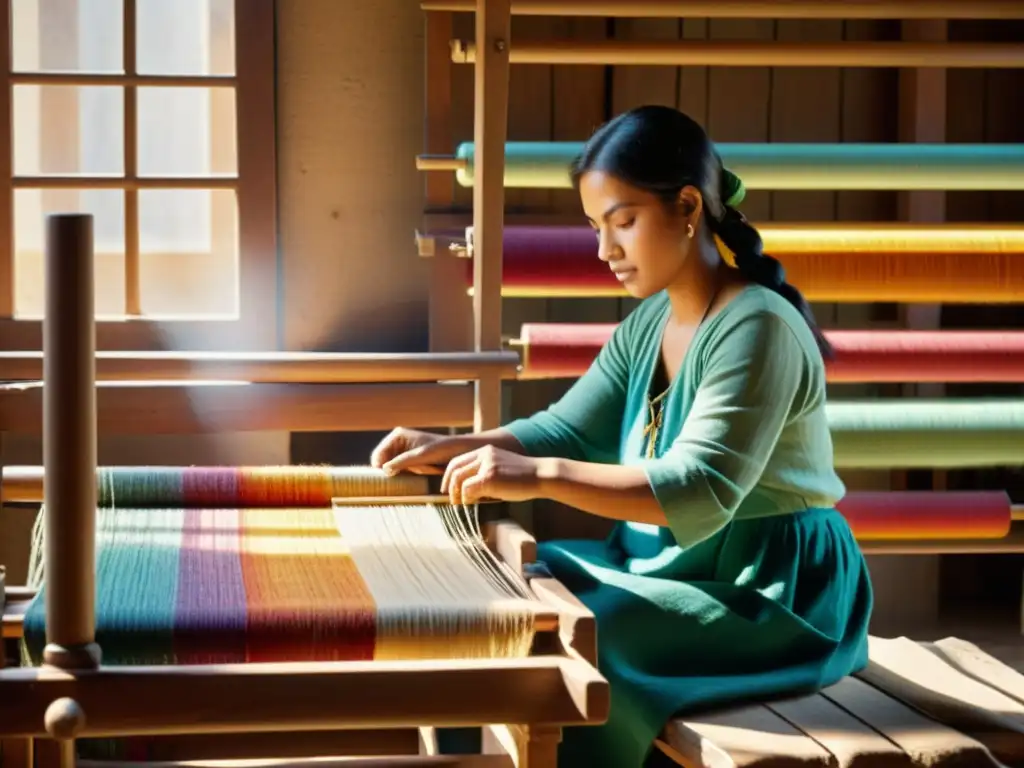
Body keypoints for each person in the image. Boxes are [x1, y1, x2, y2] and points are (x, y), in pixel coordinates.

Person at [371, 105, 874, 768]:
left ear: (687, 206)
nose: (605, 250)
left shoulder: (759, 326)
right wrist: (455, 445)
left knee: (581, 643)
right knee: (506, 598)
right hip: (671, 564)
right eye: (595, 227)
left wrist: (537, 476)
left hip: (771, 590)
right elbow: (568, 428)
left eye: (623, 222)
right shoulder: (649, 325)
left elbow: (700, 488)